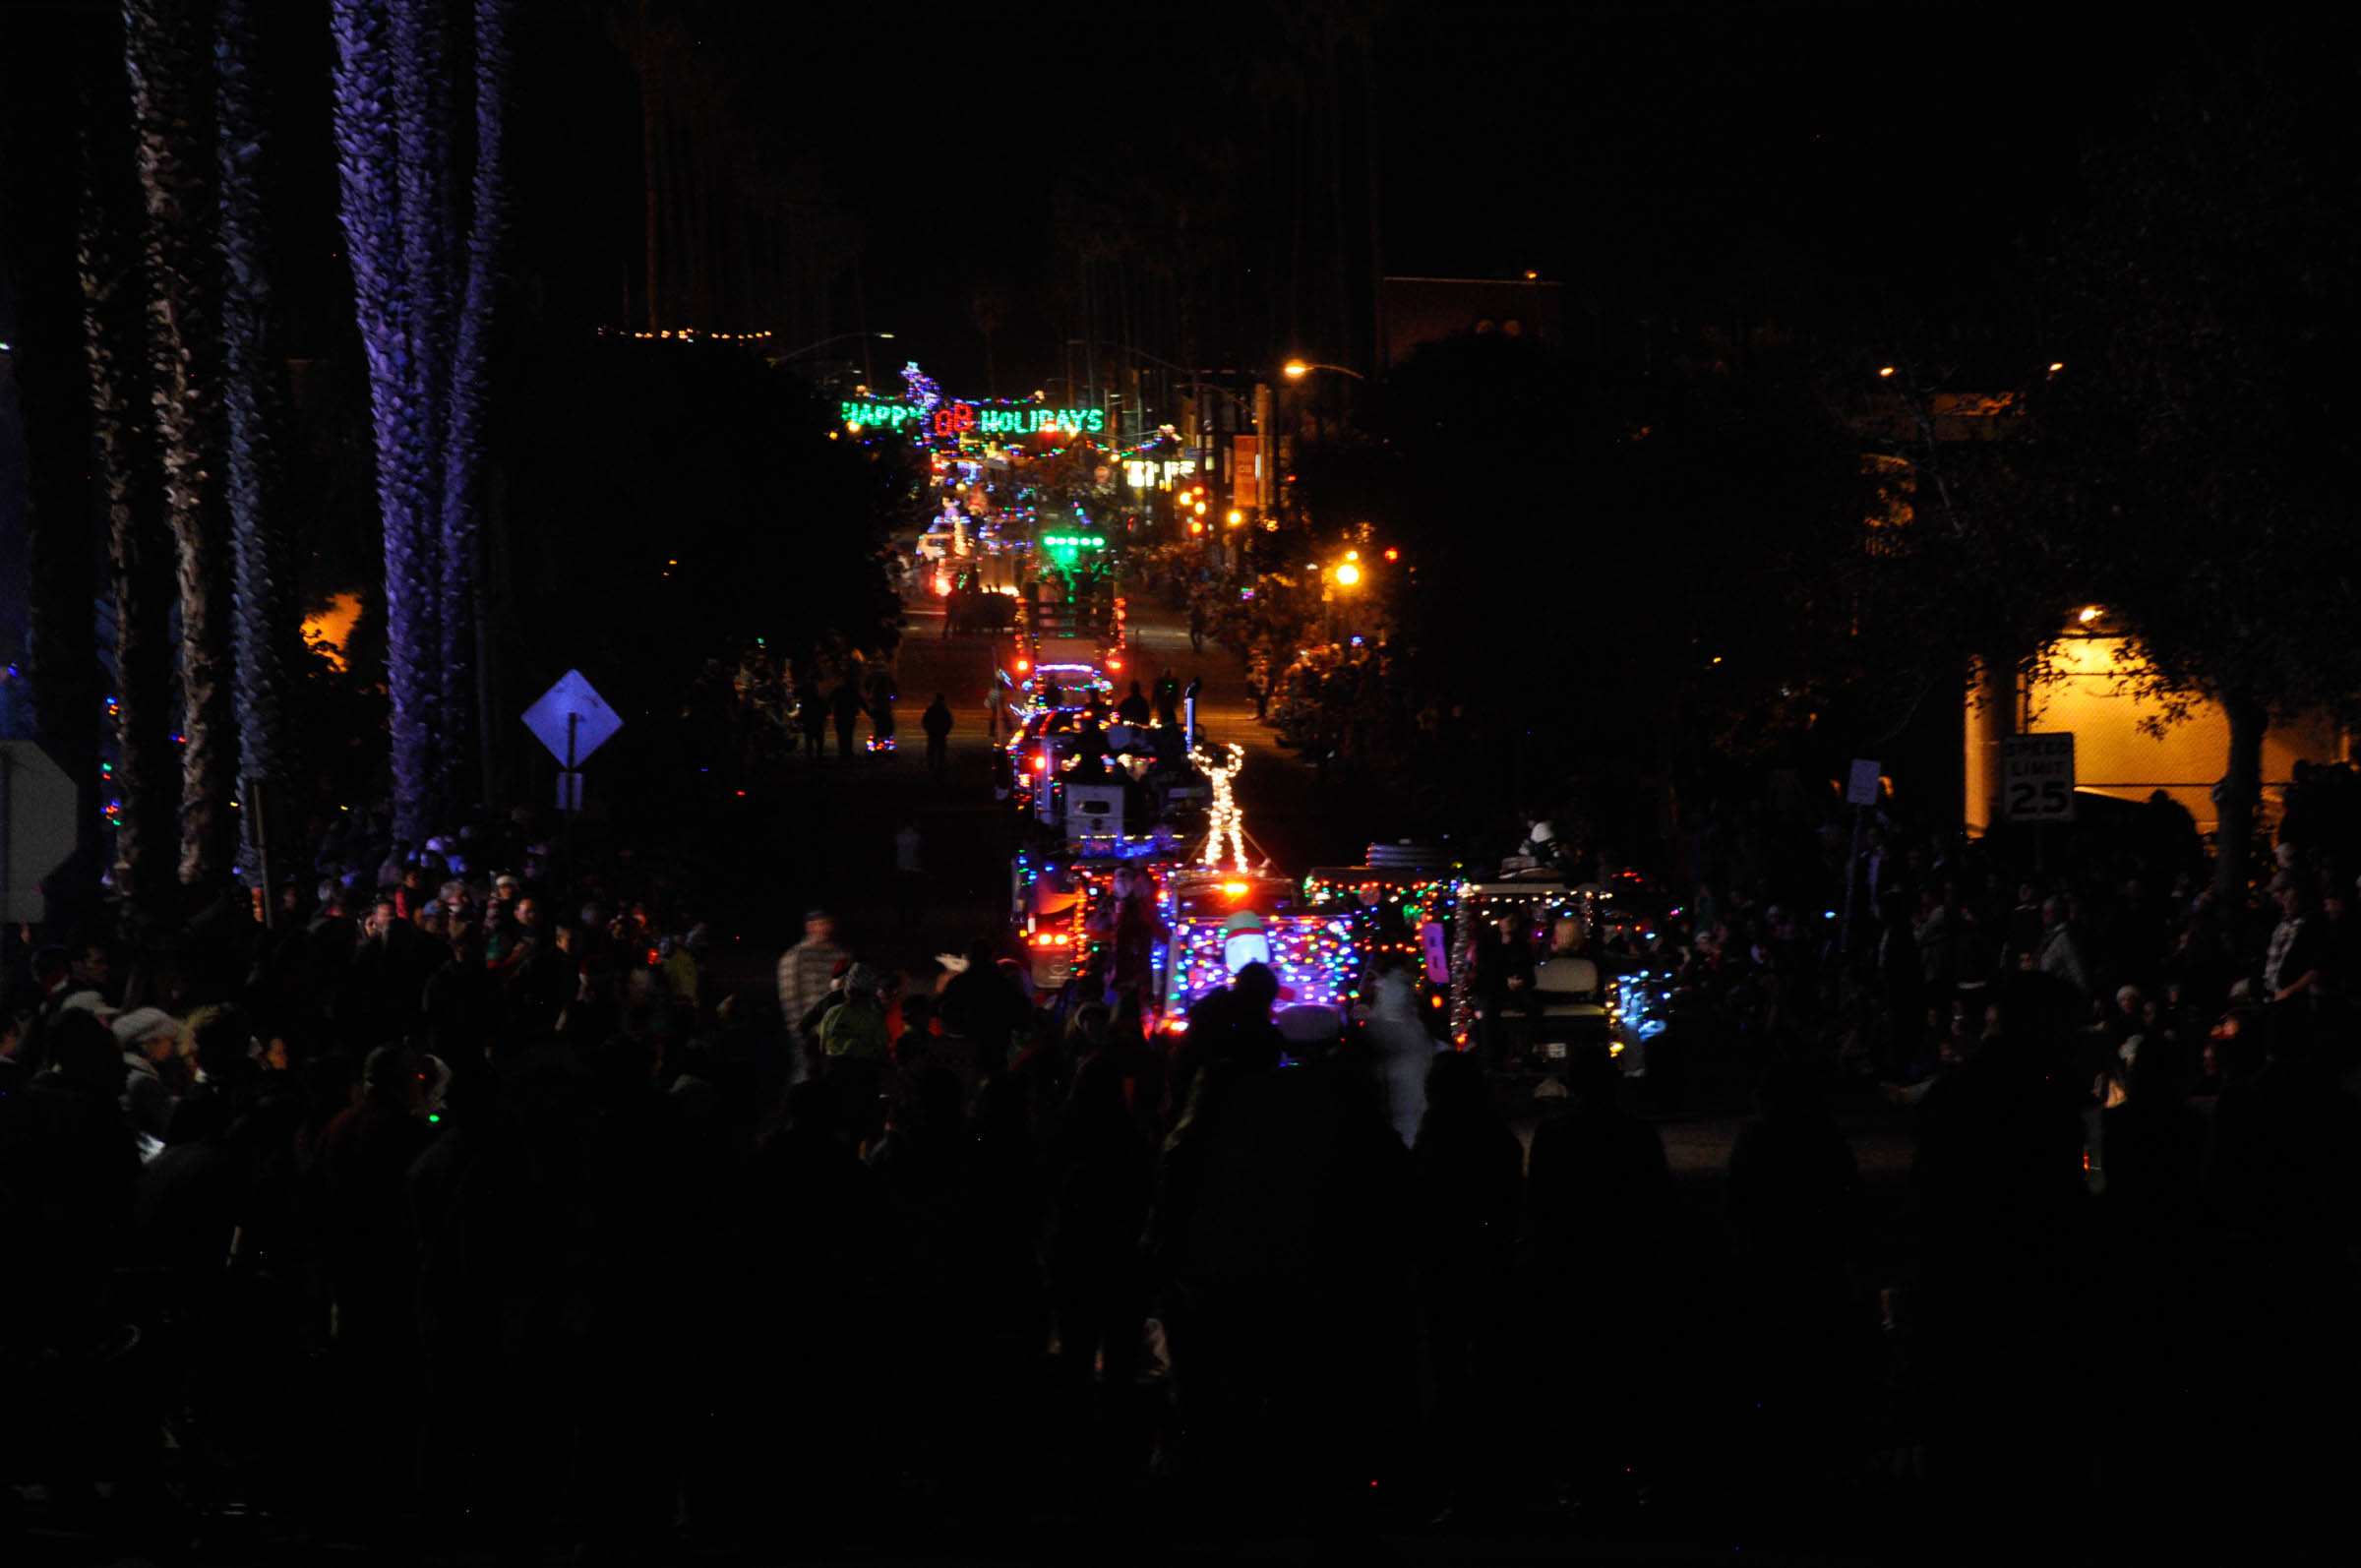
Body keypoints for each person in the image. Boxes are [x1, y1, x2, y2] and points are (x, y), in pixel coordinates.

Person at [778, 911, 847, 1079]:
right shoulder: (796, 957)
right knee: (805, 1075)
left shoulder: (839, 955)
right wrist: (800, 1029)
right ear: (809, 927)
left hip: (834, 1033)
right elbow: (790, 996)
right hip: (808, 1033)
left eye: (826, 923)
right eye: (818, 924)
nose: (823, 928)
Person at [829, 675, 864, 760]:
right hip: (849, 715)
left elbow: (829, 700)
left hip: (840, 715)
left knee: (841, 734)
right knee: (848, 734)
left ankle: (843, 752)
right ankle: (848, 752)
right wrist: (870, 713)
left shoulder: (838, 690)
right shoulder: (853, 691)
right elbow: (861, 702)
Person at [921, 694, 953, 775]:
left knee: (931, 750)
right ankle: (940, 766)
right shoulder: (944, 710)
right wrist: (946, 731)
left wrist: (928, 730)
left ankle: (931, 766)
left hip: (933, 732)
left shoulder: (931, 709)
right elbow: (949, 722)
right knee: (941, 751)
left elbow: (925, 720)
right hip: (941, 733)